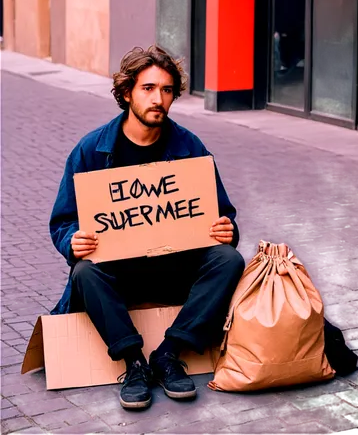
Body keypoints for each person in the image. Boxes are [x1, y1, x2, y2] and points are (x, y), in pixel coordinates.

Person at [49, 45, 245, 410]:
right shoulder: (92, 150)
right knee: (83, 272)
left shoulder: (190, 146)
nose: (159, 99)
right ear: (126, 93)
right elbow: (62, 221)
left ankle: (169, 354)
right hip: (119, 272)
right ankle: (134, 362)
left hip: (174, 268)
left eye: (167, 90)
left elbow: (222, 213)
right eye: (148, 88)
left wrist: (226, 229)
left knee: (228, 258)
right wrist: (71, 240)